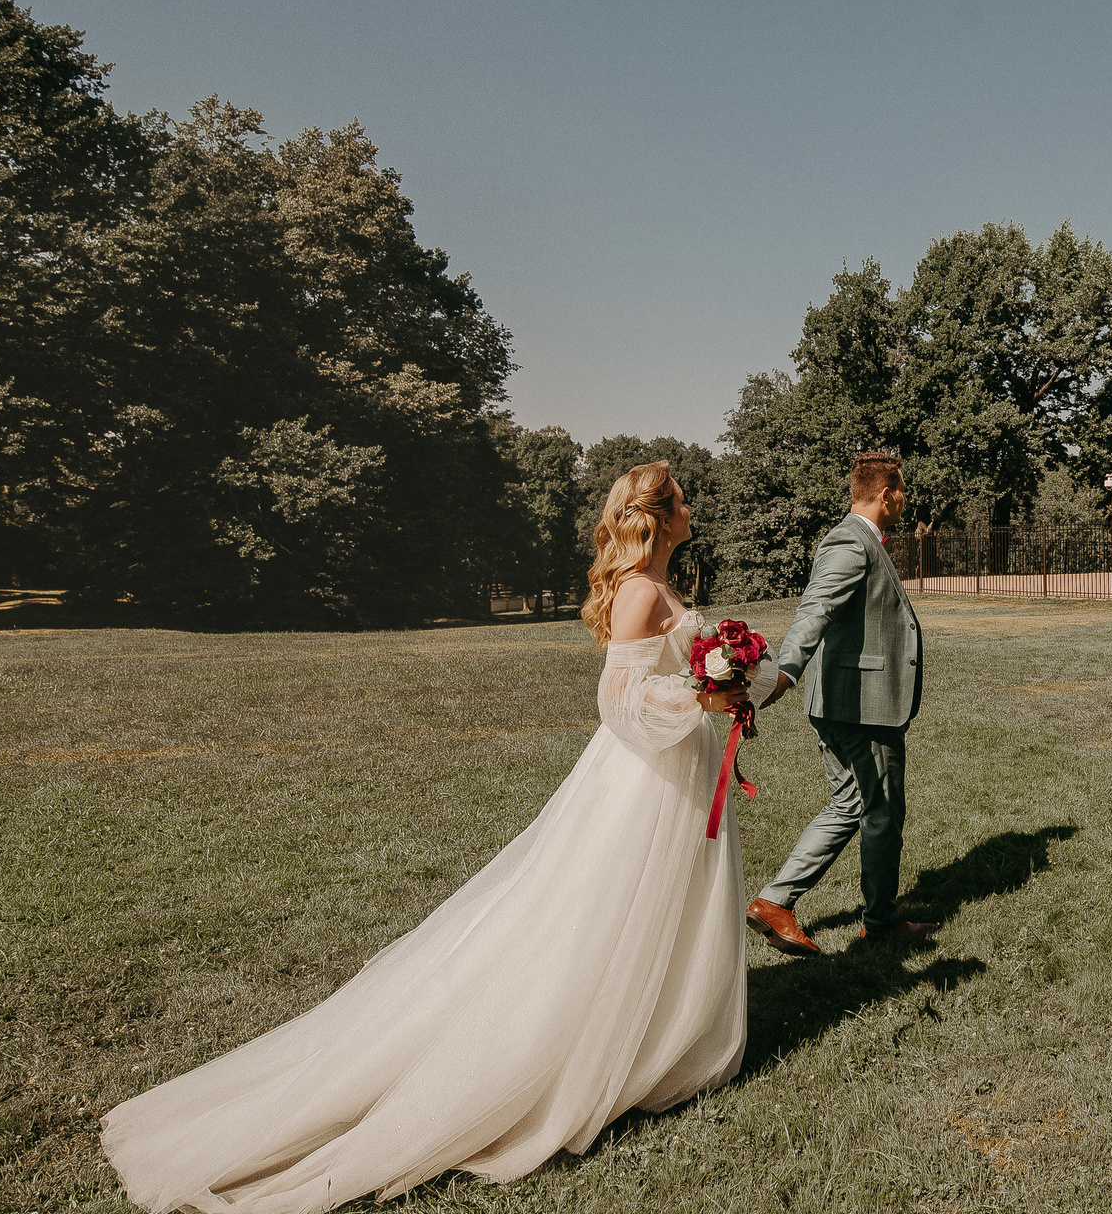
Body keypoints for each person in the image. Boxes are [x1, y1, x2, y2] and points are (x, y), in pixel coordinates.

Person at [102, 463, 774, 1213]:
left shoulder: (658, 585)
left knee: (667, 909)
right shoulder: (643, 591)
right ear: (653, 515)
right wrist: (702, 692)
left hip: (675, 768)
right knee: (603, 913)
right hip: (642, 781)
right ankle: (564, 1047)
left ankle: (655, 1040)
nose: (692, 505)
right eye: (681, 498)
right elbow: (616, 701)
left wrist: (728, 680)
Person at [744, 453, 939, 958]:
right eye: (903, 492)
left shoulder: (859, 540)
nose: (905, 502)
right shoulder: (850, 542)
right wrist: (785, 670)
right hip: (862, 706)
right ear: (886, 494)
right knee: (882, 811)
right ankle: (878, 924)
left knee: (851, 803)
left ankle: (775, 901)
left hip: (840, 702)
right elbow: (817, 607)